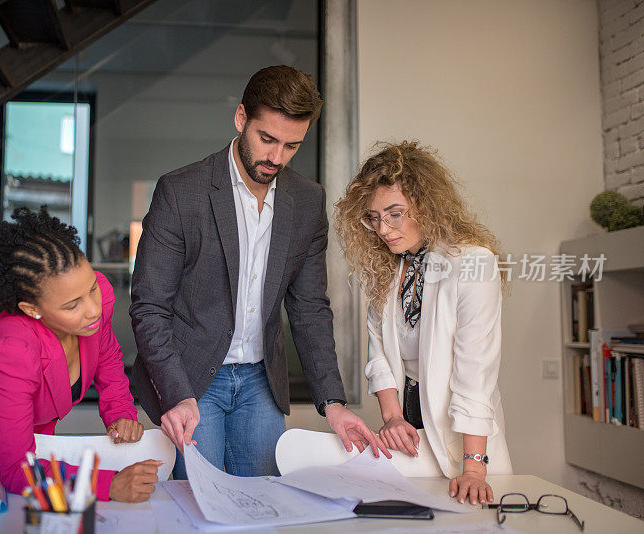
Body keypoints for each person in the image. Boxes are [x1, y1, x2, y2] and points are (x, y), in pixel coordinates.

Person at [130, 65, 388, 480]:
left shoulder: (306, 200)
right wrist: (176, 394)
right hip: (192, 378)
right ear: (240, 118)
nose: (276, 158)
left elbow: (309, 310)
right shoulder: (182, 192)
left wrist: (332, 401)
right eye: (267, 139)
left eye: (291, 146)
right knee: (201, 506)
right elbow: (149, 308)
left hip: (260, 382)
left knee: (264, 506)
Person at [0, 207, 160, 503]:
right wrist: (108, 485)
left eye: (92, 288)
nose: (94, 309)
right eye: (72, 305)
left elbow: (106, 357)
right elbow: (17, 470)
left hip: (34, 437)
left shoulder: (96, 296)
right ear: (31, 310)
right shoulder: (10, 350)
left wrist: (119, 413)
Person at [333, 140, 512, 506]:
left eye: (395, 213)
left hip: (462, 431)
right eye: (374, 217)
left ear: (425, 205)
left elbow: (474, 373)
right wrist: (393, 417)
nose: (383, 228)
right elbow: (379, 355)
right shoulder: (390, 267)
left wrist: (474, 469)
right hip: (410, 417)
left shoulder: (473, 263)